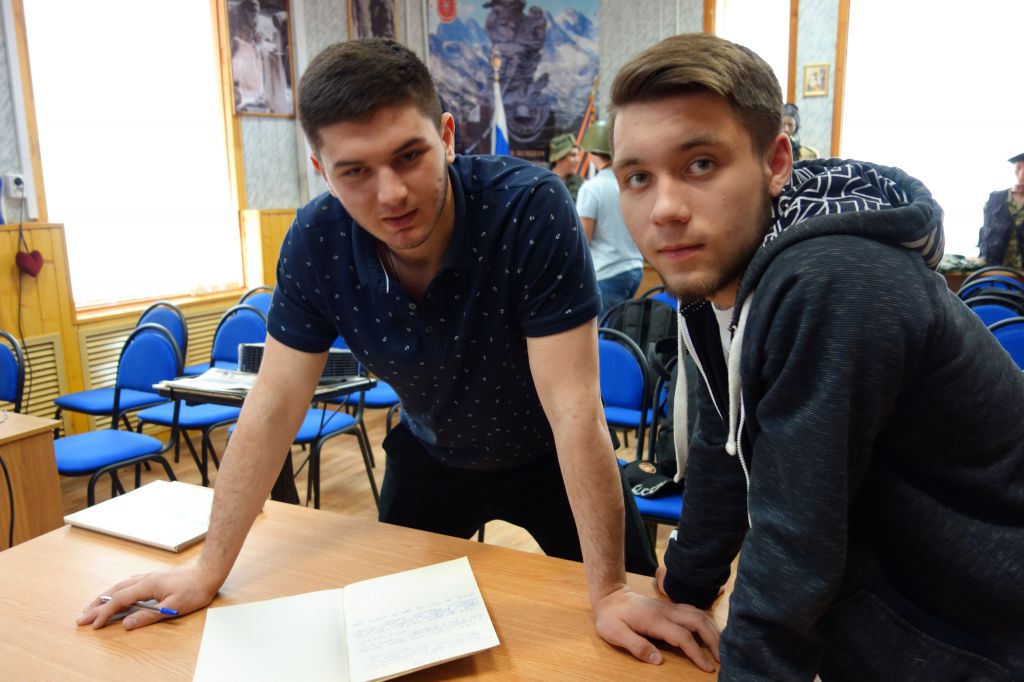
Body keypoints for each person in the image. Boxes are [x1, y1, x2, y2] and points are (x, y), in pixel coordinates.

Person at [78, 38, 721, 673]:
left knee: (635, 628)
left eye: (409, 156)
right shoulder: (317, 241)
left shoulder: (529, 207)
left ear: (447, 136)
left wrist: (609, 591)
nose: (391, 195)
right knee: (392, 636)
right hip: (431, 456)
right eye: (355, 171)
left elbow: (575, 410)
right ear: (321, 170)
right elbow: (272, 404)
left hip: (550, 453)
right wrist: (207, 569)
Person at [610, 32, 1024, 680]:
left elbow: (795, 543)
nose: (665, 209)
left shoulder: (834, 277)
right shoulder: (716, 280)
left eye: (701, 164)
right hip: (902, 629)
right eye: (638, 177)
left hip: (979, 637)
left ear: (775, 162)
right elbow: (724, 444)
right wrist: (684, 592)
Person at [575, 120, 645, 315]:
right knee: (620, 327)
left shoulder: (592, 188)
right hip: (634, 269)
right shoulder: (631, 183)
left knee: (603, 331)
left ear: (592, 153)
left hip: (607, 272)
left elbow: (583, 239)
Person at [978, 151, 1024, 267]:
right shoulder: (994, 199)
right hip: (995, 266)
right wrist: (982, 256)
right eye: (1019, 167)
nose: (1022, 173)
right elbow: (985, 230)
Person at [549, 132, 584, 200]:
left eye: (577, 155)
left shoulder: (579, 183)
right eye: (573, 155)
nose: (578, 160)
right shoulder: (542, 179)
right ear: (559, 158)